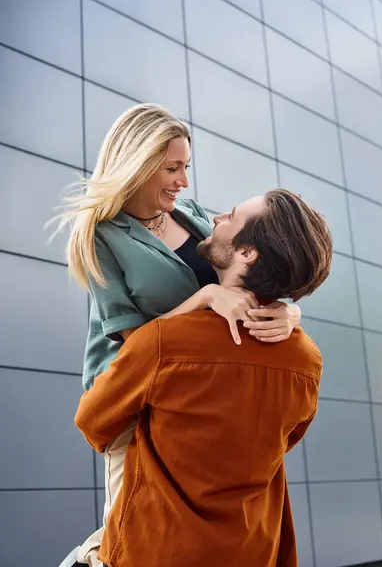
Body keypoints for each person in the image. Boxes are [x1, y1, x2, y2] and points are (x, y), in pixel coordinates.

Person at [55, 104, 301, 567]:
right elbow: (130, 338)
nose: (183, 181)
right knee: (133, 532)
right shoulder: (100, 234)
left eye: (185, 166)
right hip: (131, 399)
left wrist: (290, 312)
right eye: (171, 167)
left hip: (192, 392)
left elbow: (246, 269)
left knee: (187, 527)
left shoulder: (189, 214)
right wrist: (203, 298)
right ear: (139, 163)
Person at [75, 189, 333, 567]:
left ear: (247, 253)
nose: (214, 219)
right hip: (253, 550)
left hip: (159, 550)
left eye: (230, 216)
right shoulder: (307, 360)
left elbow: (93, 421)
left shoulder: (164, 342)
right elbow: (285, 439)